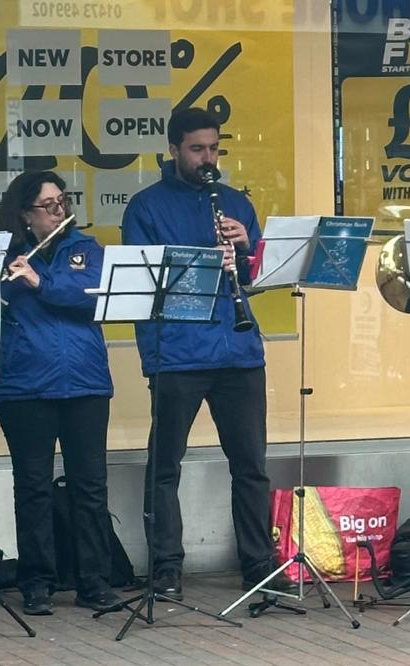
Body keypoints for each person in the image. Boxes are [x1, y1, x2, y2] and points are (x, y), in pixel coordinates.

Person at [119, 106, 290, 600]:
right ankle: (167, 564)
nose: (207, 158)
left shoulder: (236, 203)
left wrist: (245, 250)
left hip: (237, 349)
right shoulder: (145, 208)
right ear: (173, 150)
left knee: (250, 464)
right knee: (166, 463)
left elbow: (259, 279)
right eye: (197, 149)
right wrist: (205, 259)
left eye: (214, 148)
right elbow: (145, 282)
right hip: (178, 351)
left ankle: (257, 561)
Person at [0, 171, 123, 616]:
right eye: (48, 205)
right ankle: (37, 581)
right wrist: (5, 279)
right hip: (25, 385)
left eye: (61, 201)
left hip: (84, 382)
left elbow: (91, 297)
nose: (59, 210)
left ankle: (94, 581)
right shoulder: (1, 255)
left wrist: (40, 284)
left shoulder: (86, 249)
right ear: (25, 215)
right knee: (33, 488)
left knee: (90, 486)